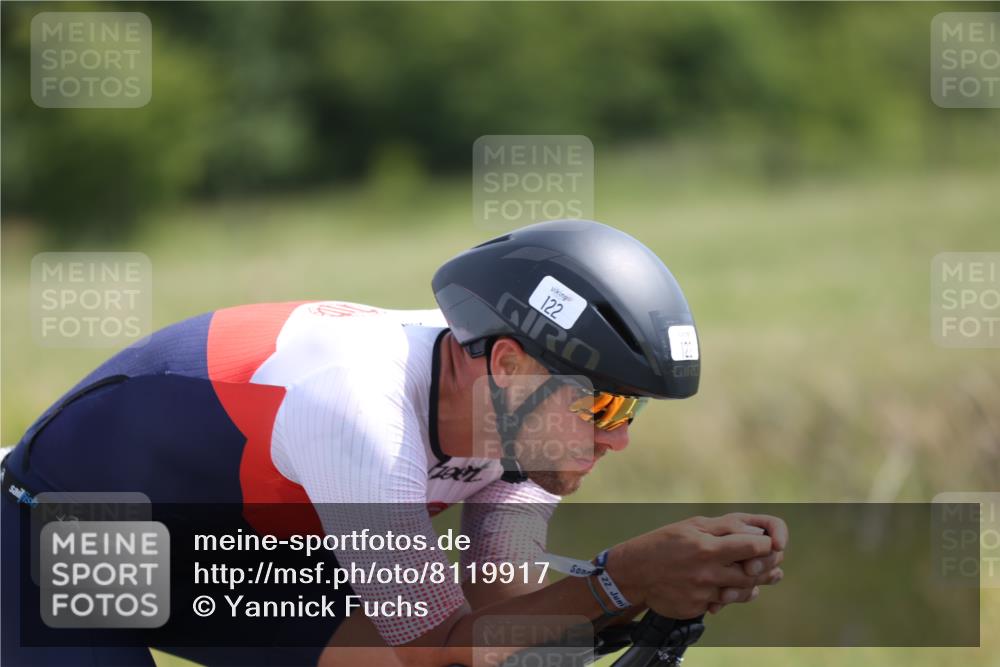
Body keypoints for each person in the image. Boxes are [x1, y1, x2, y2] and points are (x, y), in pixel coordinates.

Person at [1, 219, 786, 667]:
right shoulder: (361, 413)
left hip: (228, 548)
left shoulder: (516, 428)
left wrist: (654, 594)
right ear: (510, 365)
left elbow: (499, 602)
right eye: (604, 403)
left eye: (630, 411)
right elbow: (440, 649)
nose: (614, 438)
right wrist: (624, 579)